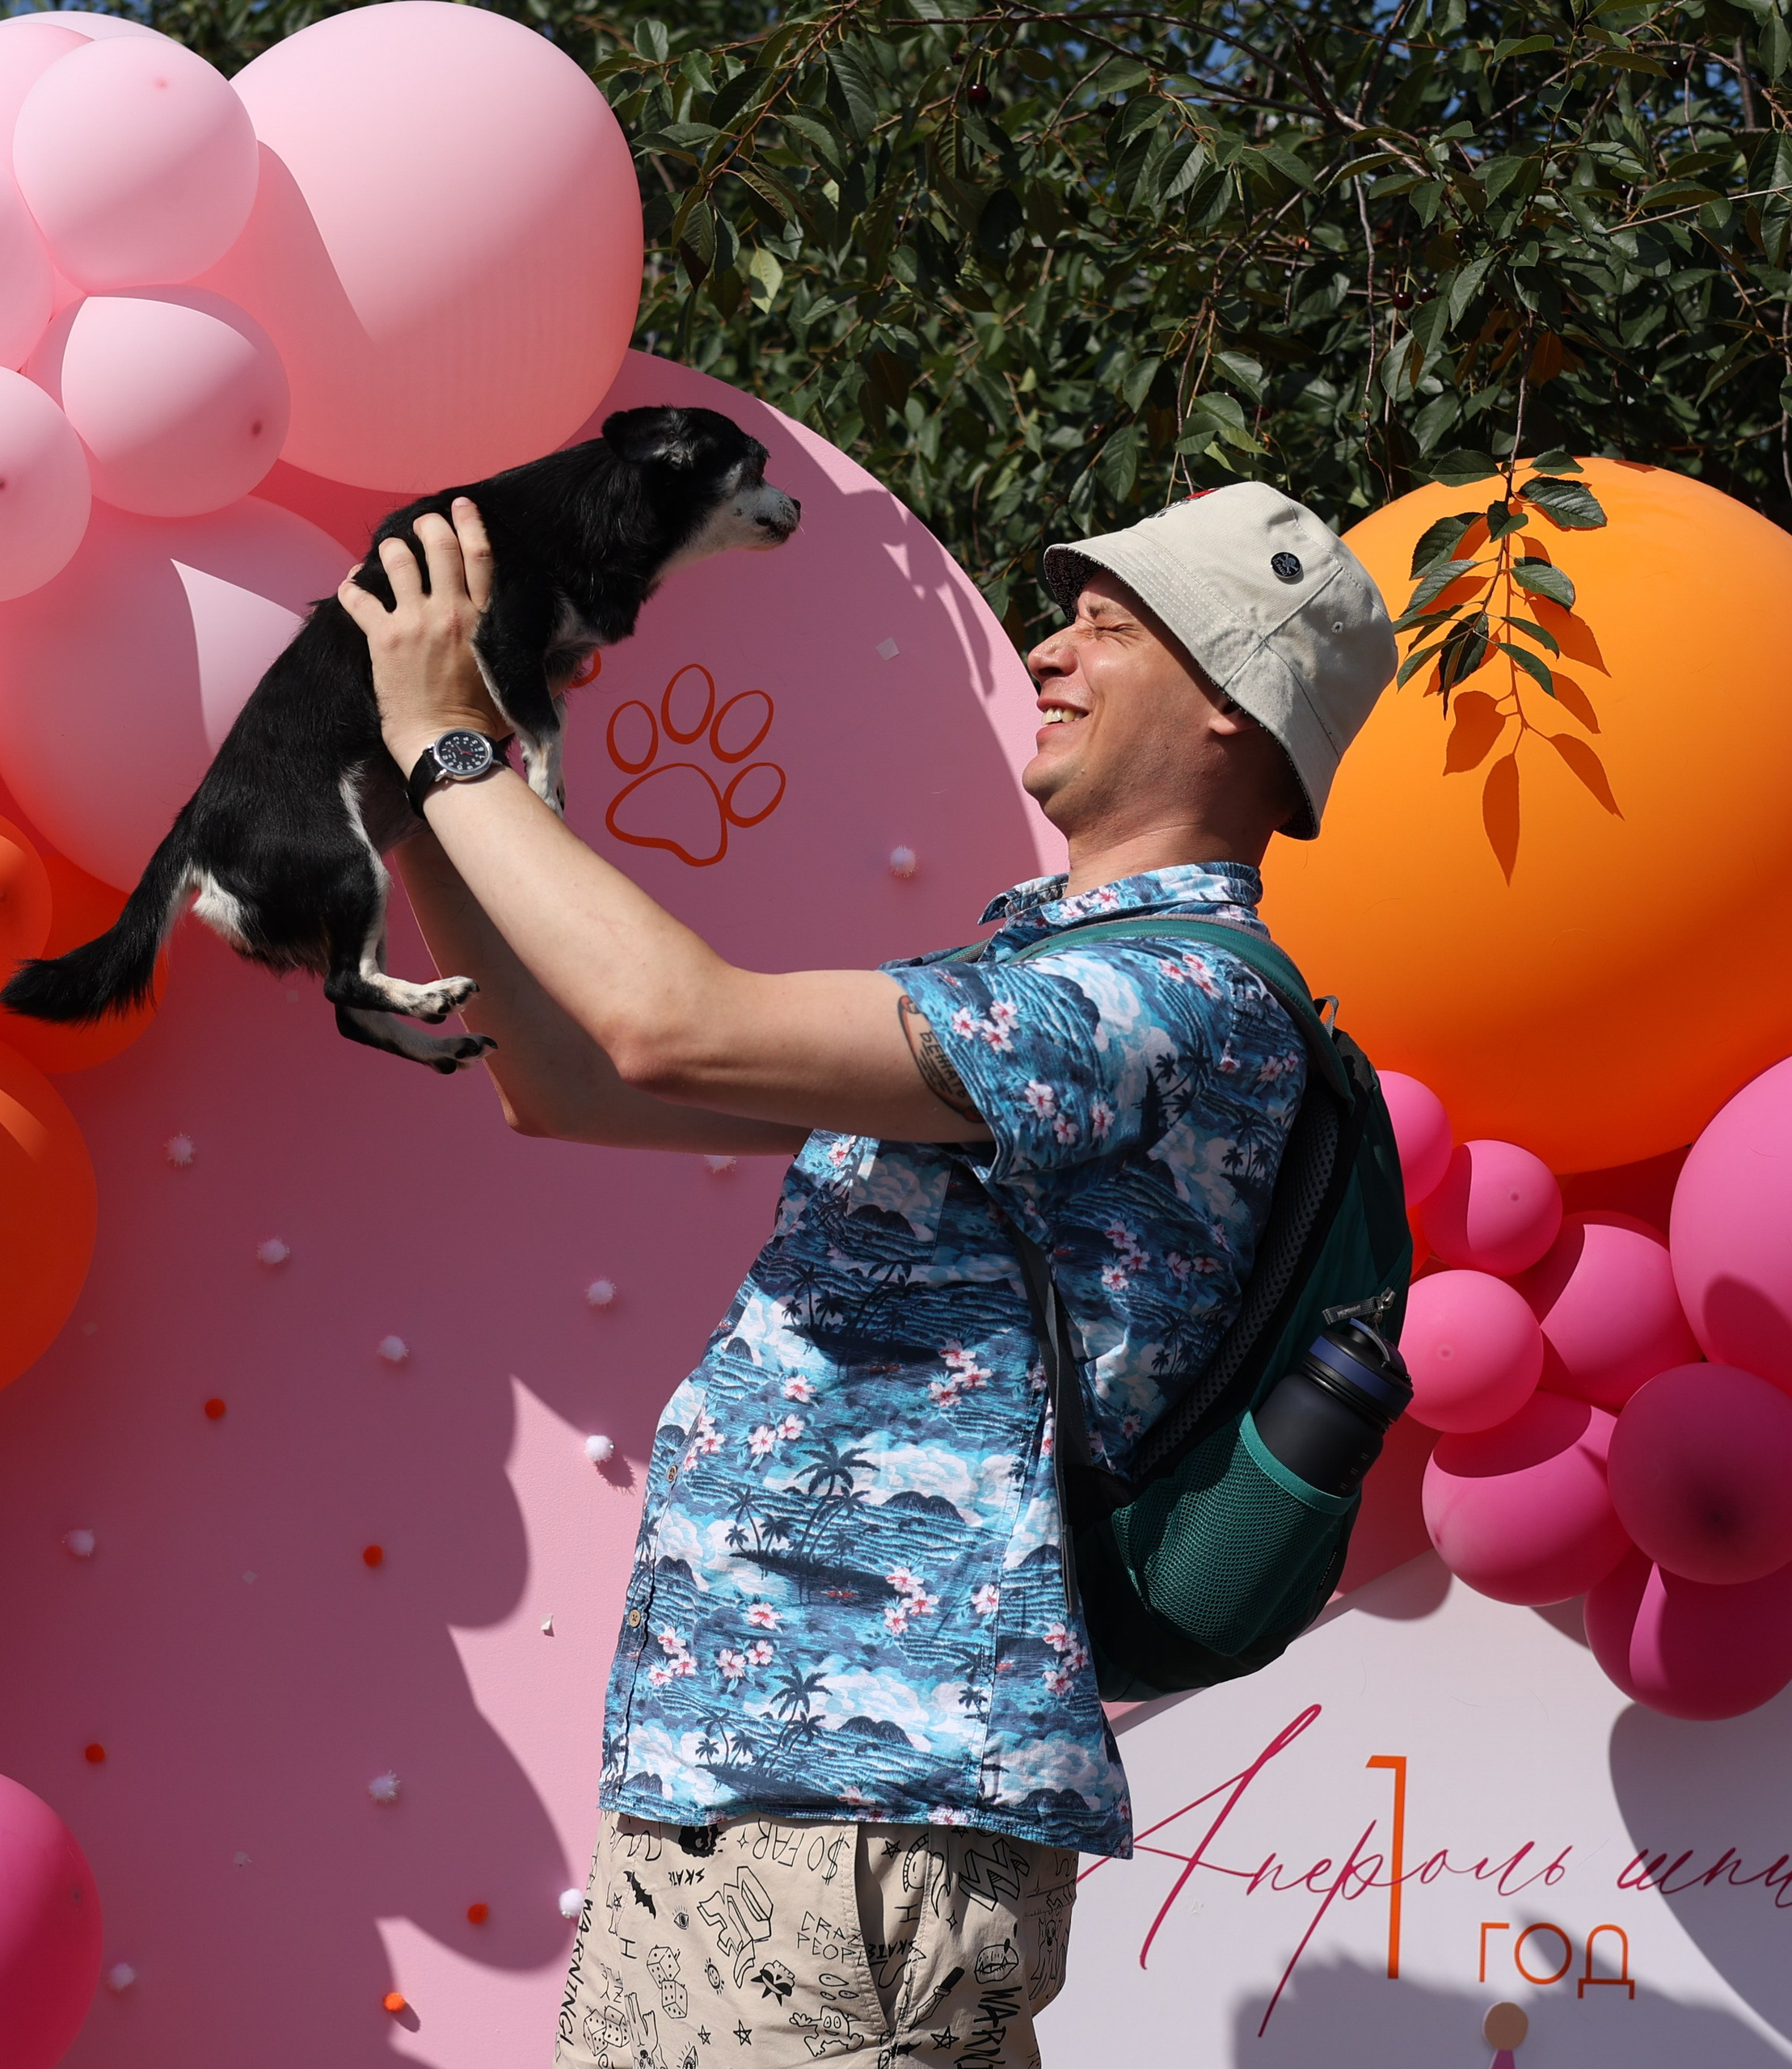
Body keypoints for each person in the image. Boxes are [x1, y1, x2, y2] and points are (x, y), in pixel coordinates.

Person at [337, 479, 1396, 2067]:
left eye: (1106, 629)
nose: (1044, 652)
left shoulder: (1172, 997)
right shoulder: (1020, 983)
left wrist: (455, 748)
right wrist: (419, 800)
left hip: (871, 1809)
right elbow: (566, 1077)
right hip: (747, 1774)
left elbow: (671, 1023)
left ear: (1238, 706)